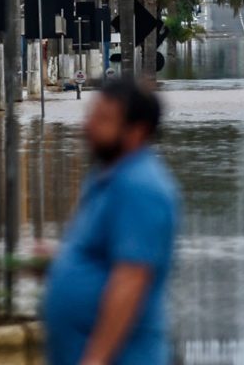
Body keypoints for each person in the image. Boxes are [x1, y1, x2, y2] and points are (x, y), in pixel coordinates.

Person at [43, 79, 180, 365]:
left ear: (137, 131)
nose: (88, 126)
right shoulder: (108, 176)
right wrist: (61, 261)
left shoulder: (141, 187)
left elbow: (131, 278)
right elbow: (104, 255)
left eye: (103, 119)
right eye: (91, 115)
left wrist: (96, 359)